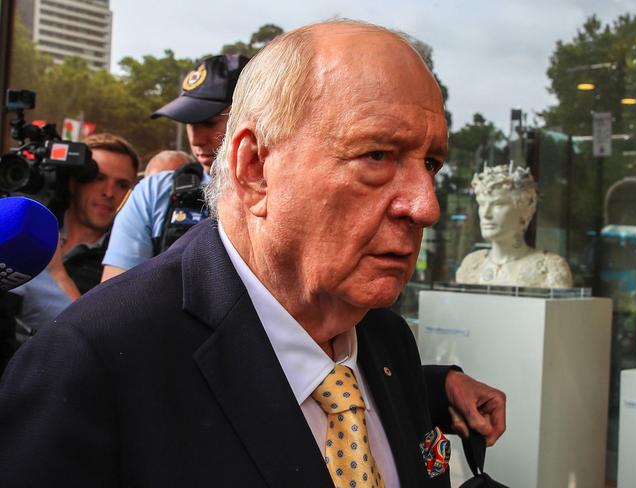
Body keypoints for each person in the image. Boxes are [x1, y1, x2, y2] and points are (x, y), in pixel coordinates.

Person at [0, 21, 505, 487]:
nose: (426, 206)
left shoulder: (387, 337)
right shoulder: (88, 364)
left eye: (431, 162)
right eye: (377, 155)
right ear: (255, 166)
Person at [101, 54, 249, 282]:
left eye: (209, 123)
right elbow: (112, 301)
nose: (197, 140)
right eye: (190, 124)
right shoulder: (153, 194)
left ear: (252, 114)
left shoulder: (290, 195)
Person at [9, 133, 139, 332]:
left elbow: (98, 337)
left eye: (122, 185)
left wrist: (58, 274)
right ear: (73, 182)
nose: (109, 192)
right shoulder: (24, 229)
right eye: (98, 178)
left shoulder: (125, 262)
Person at [456, 164, 572, 287]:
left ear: (524, 210)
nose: (486, 214)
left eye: (498, 204)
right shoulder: (471, 265)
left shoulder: (549, 268)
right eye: (482, 204)